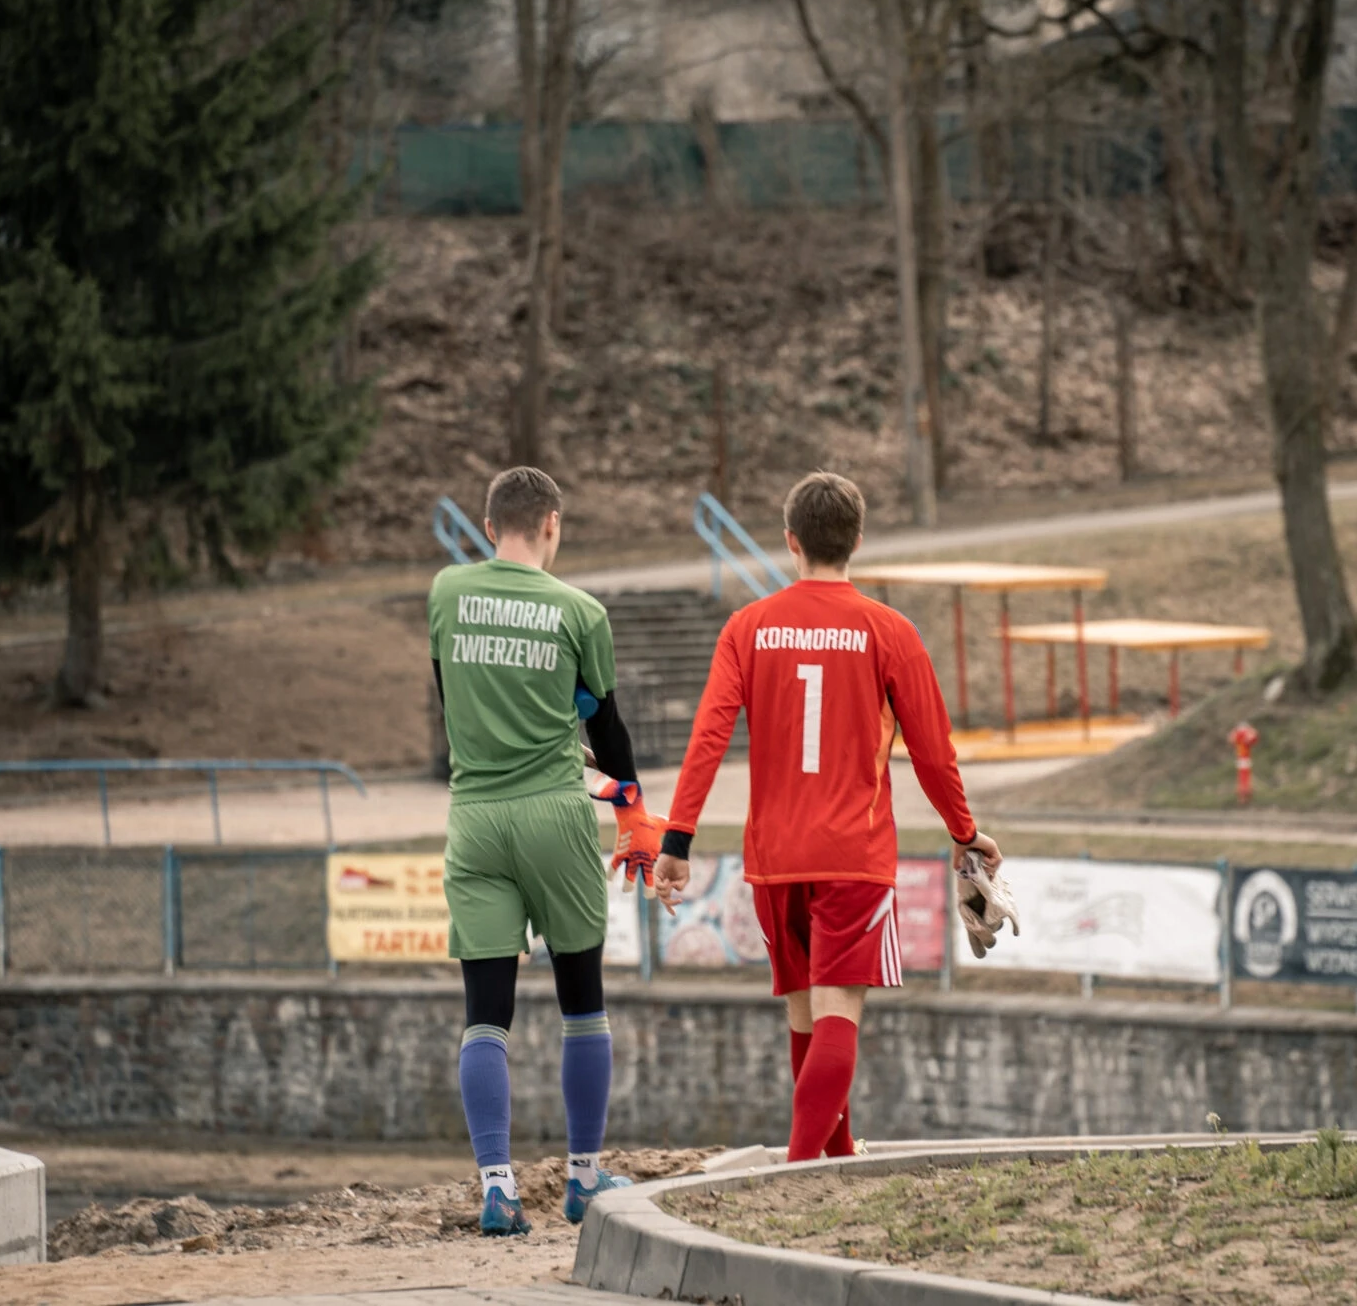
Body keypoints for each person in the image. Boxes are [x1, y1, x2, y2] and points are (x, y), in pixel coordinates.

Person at [654, 471, 1001, 1163]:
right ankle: (798, 1171)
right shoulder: (889, 630)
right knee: (838, 1013)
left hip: (775, 858)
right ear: (857, 542)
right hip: (853, 854)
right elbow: (933, 752)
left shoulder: (747, 627)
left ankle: (833, 1158)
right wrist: (964, 833)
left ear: (791, 542)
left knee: (805, 1015)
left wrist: (678, 838)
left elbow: (708, 738)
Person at [428, 466, 667, 1236]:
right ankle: (583, 1179)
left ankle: (498, 1190)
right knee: (581, 1001)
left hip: (475, 820)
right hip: (557, 819)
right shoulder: (580, 612)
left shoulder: (446, 593)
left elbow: (452, 698)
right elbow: (607, 729)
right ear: (553, 524)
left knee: (485, 1015)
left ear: (488, 528)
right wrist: (632, 809)